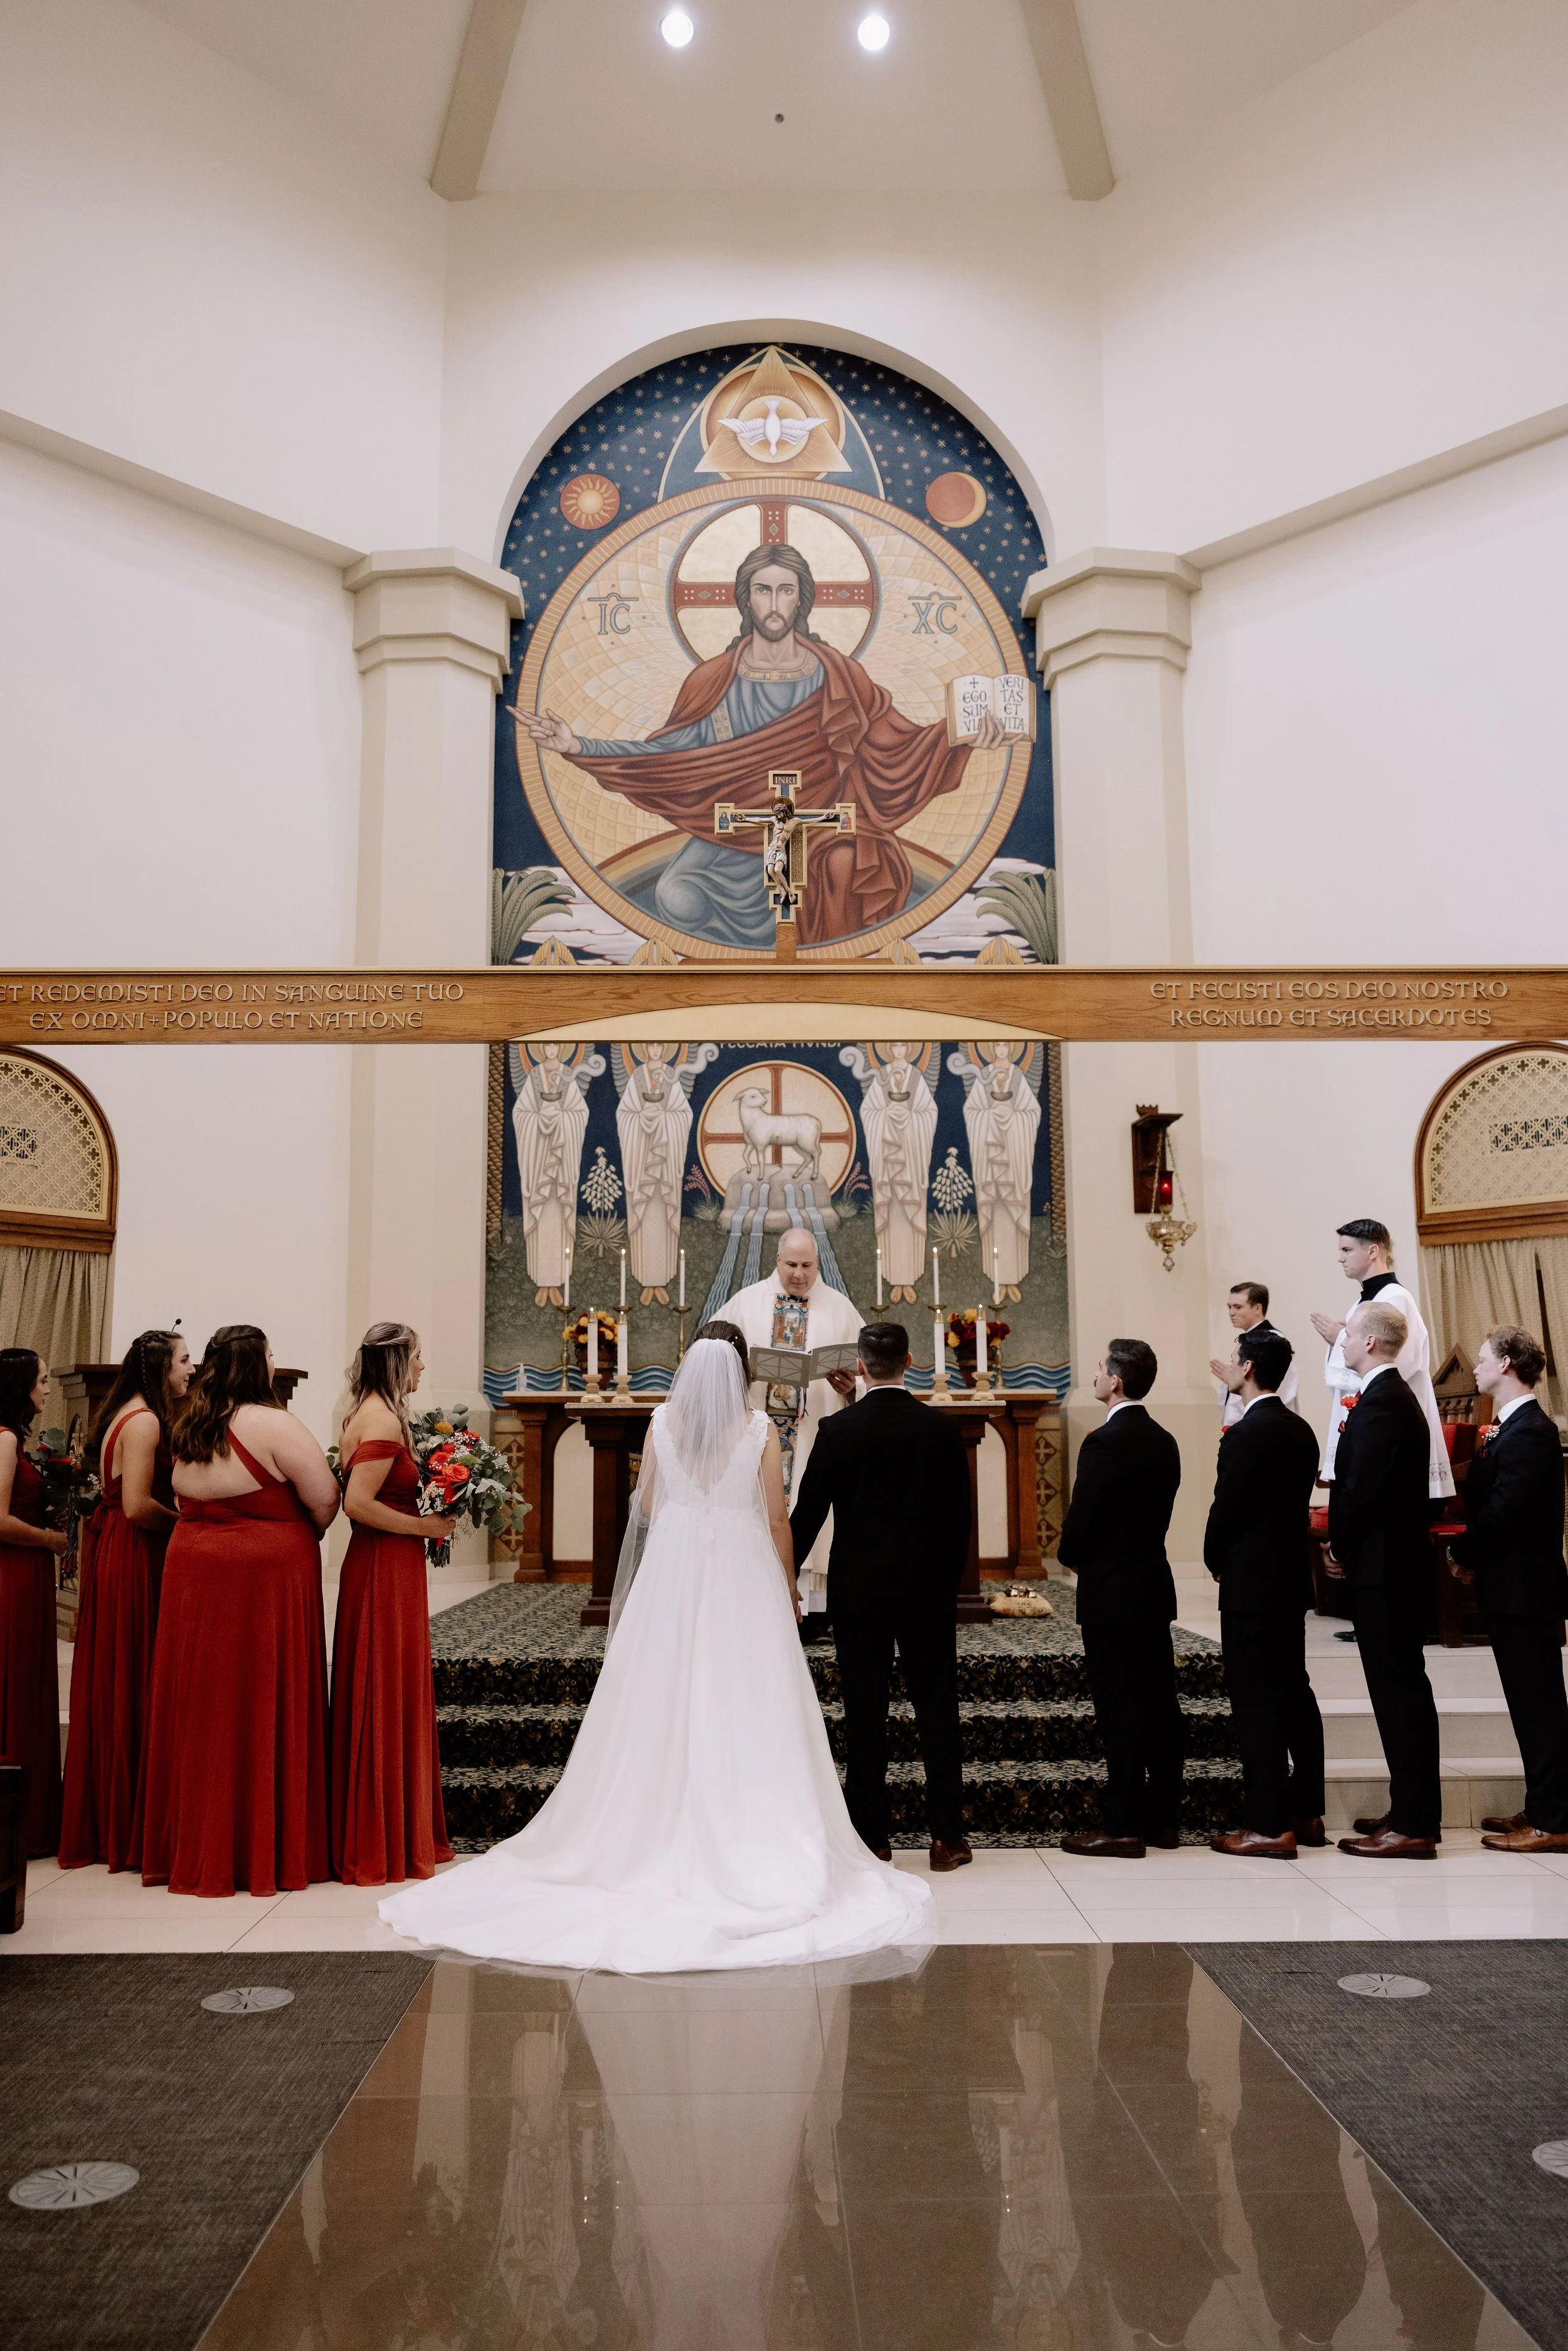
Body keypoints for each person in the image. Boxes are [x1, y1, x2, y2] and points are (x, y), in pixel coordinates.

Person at [379, 1330, 935, 1971]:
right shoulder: (758, 1431)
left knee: (661, 1689)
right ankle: (758, 1831)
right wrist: (787, 1580)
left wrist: (686, 1514)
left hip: (673, 1570)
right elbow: (778, 1517)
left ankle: (639, 1833)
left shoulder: (661, 1424)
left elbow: (646, 1506)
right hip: (740, 1569)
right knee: (746, 1694)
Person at [521, 541, 1003, 950]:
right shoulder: (714, 680)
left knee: (841, 866)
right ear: (746, 600)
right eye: (763, 590)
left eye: (786, 590)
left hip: (823, 827)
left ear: (802, 600)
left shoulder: (840, 676)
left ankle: (822, 994)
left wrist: (960, 735)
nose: (775, 603)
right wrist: (579, 745)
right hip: (737, 834)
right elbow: (668, 757)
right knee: (675, 895)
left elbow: (895, 745)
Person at [138, 1324, 339, 1897]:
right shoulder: (273, 1423)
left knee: (204, 1704)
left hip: (193, 1570)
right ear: (257, 1365)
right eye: (271, 1355)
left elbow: (181, 1495)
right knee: (259, 1699)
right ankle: (263, 1846)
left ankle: (197, 1842)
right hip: (262, 1578)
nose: (276, 1363)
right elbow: (324, 1500)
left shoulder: (190, 1423)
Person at [788, 1321, 972, 1870]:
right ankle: (947, 1839)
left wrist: (781, 1576)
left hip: (859, 1593)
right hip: (926, 1594)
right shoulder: (941, 1429)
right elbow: (959, 1521)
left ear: (861, 1366)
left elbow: (808, 1516)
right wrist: (944, 1587)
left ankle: (873, 1839)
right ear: (911, 1360)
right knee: (938, 1710)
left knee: (865, 1715)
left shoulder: (838, 1430)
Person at [58, 1328, 193, 1872]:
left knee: (126, 1673)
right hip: (136, 1552)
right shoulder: (143, 1422)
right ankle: (127, 1822)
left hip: (120, 1546)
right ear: (161, 1368)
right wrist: (187, 1525)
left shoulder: (131, 1414)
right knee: (135, 1673)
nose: (192, 1368)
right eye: (185, 1360)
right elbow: (138, 1505)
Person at [331, 1322, 456, 1886]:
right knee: (384, 1690)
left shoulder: (379, 1410)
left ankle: (393, 1829)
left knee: (391, 1689)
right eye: (419, 1358)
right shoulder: (379, 1418)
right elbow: (357, 1504)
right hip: (384, 1565)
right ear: (397, 1362)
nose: (424, 1368)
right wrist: (423, 1526)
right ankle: (381, 1838)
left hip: (390, 1564)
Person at [1056, 1339, 1184, 1858]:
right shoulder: (1165, 1440)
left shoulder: (1104, 1442)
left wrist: (1070, 1553)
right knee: (1160, 1703)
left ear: (1118, 1382)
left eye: (1101, 1369)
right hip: (1152, 1583)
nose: (1095, 1375)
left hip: (1111, 1591)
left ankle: (1123, 1826)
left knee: (1119, 1709)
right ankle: (1165, 1821)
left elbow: (1084, 1518)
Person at [1203, 1328, 1327, 1857]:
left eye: (1235, 1359)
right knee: (1294, 1691)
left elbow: (1225, 1508)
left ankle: (1267, 1824)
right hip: (1289, 1580)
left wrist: (1214, 1559)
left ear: (1249, 1369)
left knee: (1255, 1700)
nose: (1230, 1365)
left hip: (1250, 1584)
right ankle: (1308, 1810)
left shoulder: (1245, 1434)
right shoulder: (1301, 1431)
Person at [1327, 1302, 1442, 1857]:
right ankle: (1409, 1808)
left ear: (1370, 1343)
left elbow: (1362, 1490)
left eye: (1349, 1335)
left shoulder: (1382, 1404)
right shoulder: (1391, 1399)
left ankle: (1416, 1823)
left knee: (1400, 1695)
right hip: (1390, 1567)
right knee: (1398, 1692)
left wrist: (1339, 1546)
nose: (1343, 1342)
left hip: (1384, 1570)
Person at [1449, 1325, 1568, 1854]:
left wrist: (1464, 1552)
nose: (1475, 1367)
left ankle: (1555, 1818)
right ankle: (1543, 1802)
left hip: (1527, 1591)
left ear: (1505, 1365)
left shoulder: (1532, 1432)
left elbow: (1506, 1511)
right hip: (1511, 1587)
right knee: (1528, 1704)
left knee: (1540, 1706)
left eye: (1482, 1359)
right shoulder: (1507, 1427)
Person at [724, 1228, 864, 1632]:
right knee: (761, 1511)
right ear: (777, 1260)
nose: (799, 1274)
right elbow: (712, 1361)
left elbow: (867, 1371)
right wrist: (743, 1372)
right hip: (758, 1435)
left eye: (807, 1266)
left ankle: (813, 1612)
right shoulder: (745, 1304)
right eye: (792, 1265)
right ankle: (752, 1604)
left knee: (811, 1510)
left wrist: (852, 1387)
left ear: (817, 1263)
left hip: (812, 1439)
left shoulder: (839, 1309)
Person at [1311, 1219, 1453, 1500]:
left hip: (1391, 1425)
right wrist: (1341, 1339)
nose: (1340, 1258)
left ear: (1373, 1250)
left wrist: (1340, 1337)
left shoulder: (1396, 1298)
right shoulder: (1365, 1301)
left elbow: (1397, 1362)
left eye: (1347, 1250)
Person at [0, 1347, 68, 1855]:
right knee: (16, 1687)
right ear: (20, 1387)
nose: (47, 1388)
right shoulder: (4, 1441)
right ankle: (20, 1826)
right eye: (42, 1380)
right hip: (14, 1576)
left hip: (24, 1574)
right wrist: (51, 1540)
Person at [1209, 1280, 1298, 1428]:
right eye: (1230, 1307)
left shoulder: (1272, 1342)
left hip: (1267, 1425)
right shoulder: (1251, 1340)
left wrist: (1235, 1380)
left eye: (1238, 1307)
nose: (1231, 1313)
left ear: (1258, 1308)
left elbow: (1275, 1387)